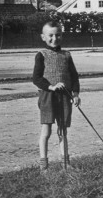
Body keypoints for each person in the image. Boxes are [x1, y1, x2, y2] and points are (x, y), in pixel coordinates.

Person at [32, 20, 80, 171]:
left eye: (58, 35)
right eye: (50, 35)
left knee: (63, 131)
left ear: (62, 36)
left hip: (65, 96)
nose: (54, 38)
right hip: (47, 96)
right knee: (46, 131)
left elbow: (74, 76)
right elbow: (36, 78)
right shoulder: (41, 55)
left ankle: (66, 164)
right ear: (43, 37)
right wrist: (51, 87)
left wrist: (76, 94)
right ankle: (44, 166)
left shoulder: (67, 55)